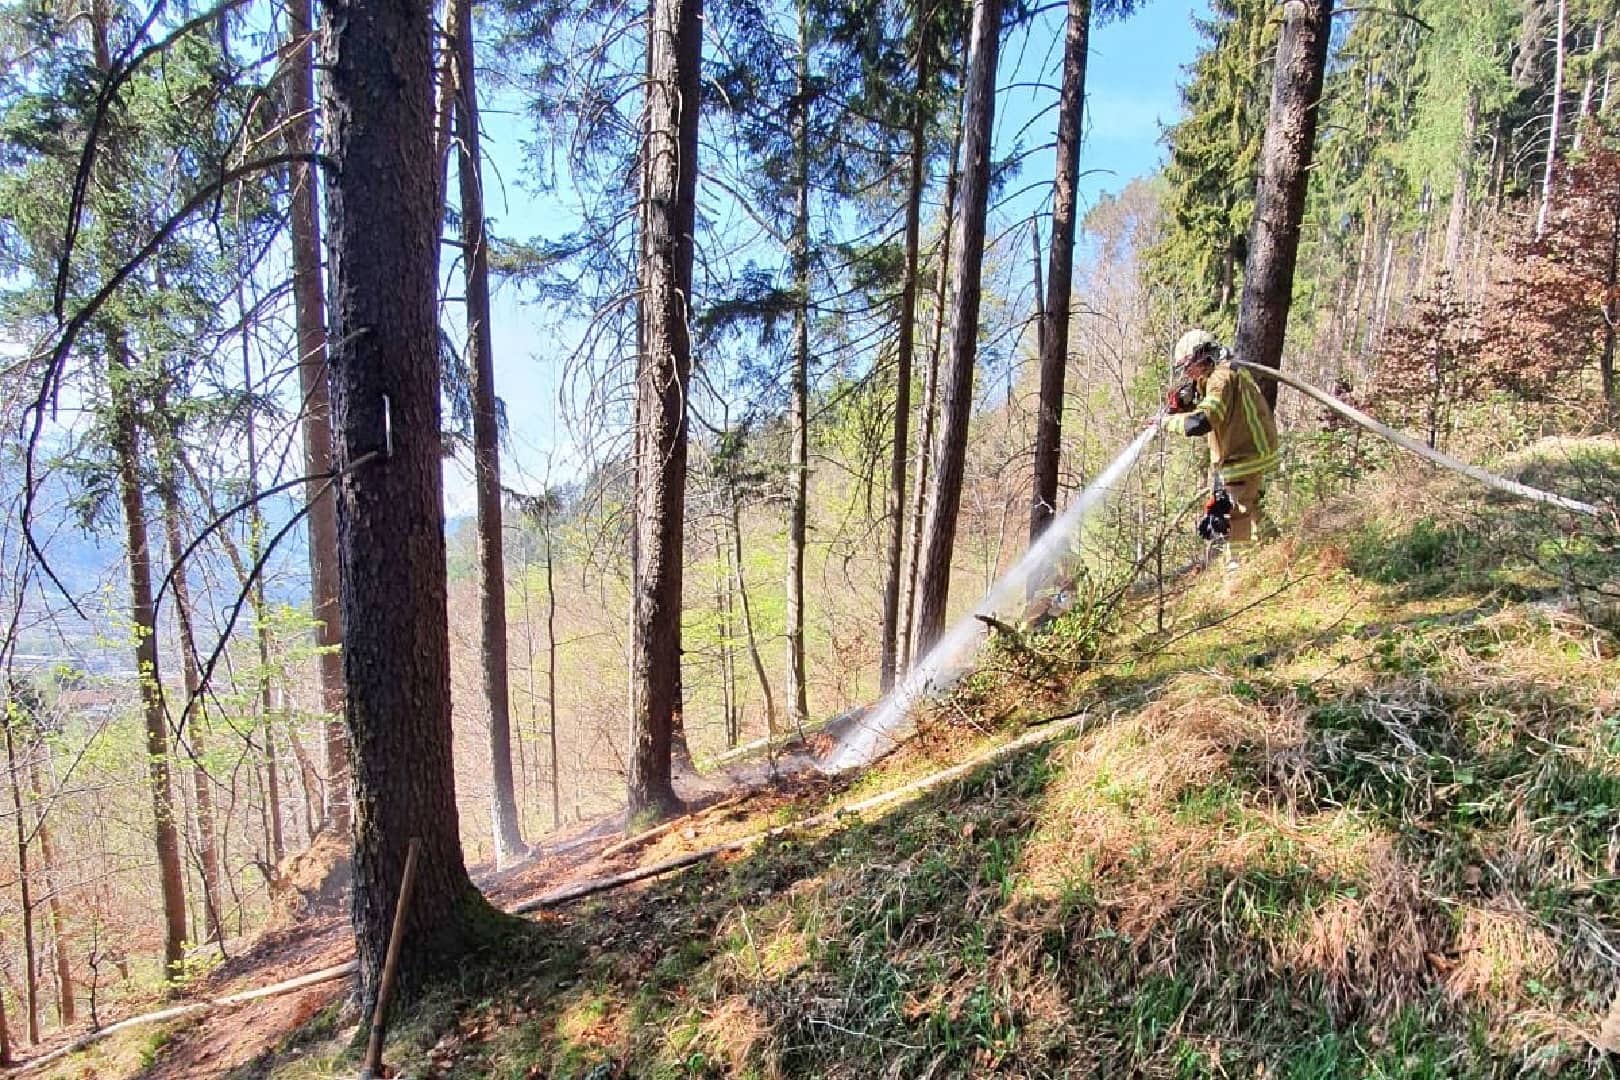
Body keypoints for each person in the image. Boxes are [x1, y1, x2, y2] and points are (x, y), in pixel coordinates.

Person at [1160, 329, 1279, 572]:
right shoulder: (1221, 373)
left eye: (1189, 366)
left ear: (1202, 356)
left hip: (1245, 454)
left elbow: (1202, 421)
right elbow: (1209, 401)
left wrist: (1166, 422)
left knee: (1236, 513)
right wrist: (1184, 401)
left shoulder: (1220, 379)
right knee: (1251, 506)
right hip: (1247, 451)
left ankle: (1237, 570)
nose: (1187, 372)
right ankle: (1278, 547)